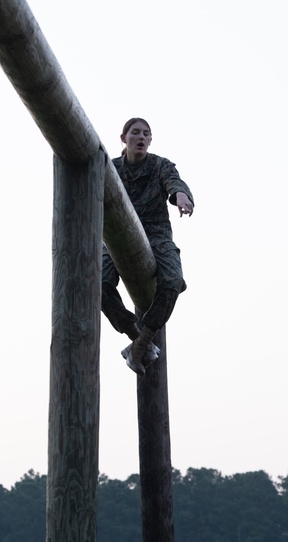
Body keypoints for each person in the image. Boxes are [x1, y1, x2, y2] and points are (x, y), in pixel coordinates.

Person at [102, 118, 195, 375]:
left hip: (156, 236)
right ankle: (135, 335)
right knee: (97, 283)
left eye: (146, 134)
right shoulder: (111, 168)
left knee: (173, 279)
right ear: (124, 138)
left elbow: (174, 182)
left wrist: (181, 197)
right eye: (135, 133)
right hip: (114, 238)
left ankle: (142, 343)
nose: (141, 138)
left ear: (150, 140)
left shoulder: (159, 165)